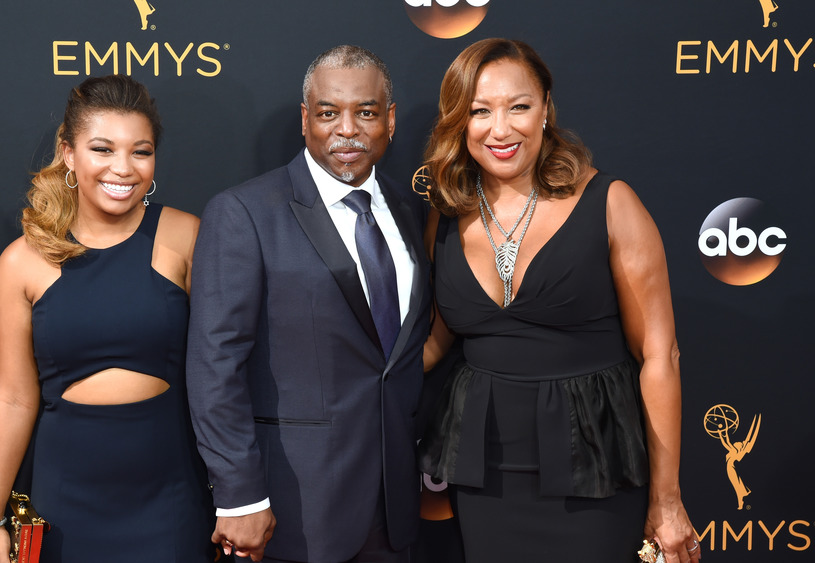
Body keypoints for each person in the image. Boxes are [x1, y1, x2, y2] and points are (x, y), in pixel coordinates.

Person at [418, 38, 702, 562]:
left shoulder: (611, 203)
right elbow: (436, 338)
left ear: (545, 108)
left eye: (518, 106)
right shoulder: (445, 211)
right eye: (480, 111)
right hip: (485, 476)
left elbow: (659, 356)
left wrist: (666, 501)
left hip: (593, 470)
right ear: (460, 120)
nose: (500, 129)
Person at [186, 45, 431, 563]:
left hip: (396, 511)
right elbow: (215, 365)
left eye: (365, 112)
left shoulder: (411, 213)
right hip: (293, 512)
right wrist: (240, 494)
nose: (347, 129)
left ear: (388, 119)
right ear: (305, 120)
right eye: (328, 113)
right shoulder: (244, 213)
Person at [0, 75, 216, 562]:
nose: (123, 169)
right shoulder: (23, 261)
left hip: (172, 496)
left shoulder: (187, 236)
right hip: (67, 502)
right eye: (102, 149)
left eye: (140, 152)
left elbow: (225, 375)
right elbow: (16, 397)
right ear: (68, 153)